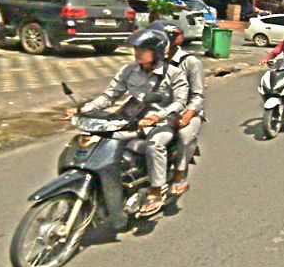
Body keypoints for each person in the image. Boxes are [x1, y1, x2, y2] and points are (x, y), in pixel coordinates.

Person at [68, 28, 190, 217]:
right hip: (132, 119)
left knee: (154, 145)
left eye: (143, 49)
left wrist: (158, 116)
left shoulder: (174, 73)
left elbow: (180, 102)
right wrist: (84, 109)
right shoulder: (128, 71)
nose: (138, 53)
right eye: (136, 49)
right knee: (101, 137)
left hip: (163, 121)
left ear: (157, 52)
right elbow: (110, 96)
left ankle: (156, 191)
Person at [150, 21, 204, 198]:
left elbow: (198, 95)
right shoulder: (154, 62)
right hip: (159, 110)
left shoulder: (190, 62)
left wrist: (188, 115)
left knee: (184, 136)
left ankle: (179, 174)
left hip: (186, 111)